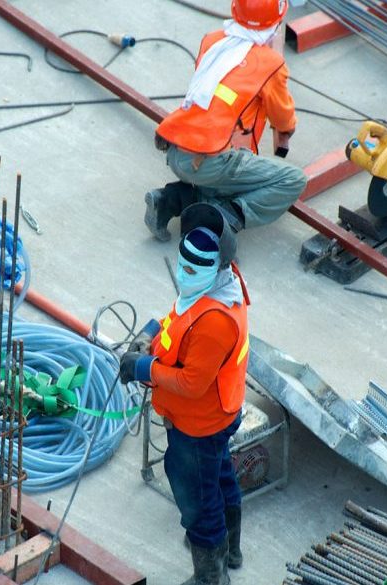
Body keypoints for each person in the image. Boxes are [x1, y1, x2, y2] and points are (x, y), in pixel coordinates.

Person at [120, 203, 251, 585]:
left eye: (193, 270)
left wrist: (143, 368)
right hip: (217, 415)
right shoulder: (215, 288)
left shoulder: (215, 321)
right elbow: (179, 322)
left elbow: (192, 383)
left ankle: (211, 576)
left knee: (198, 499)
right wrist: (149, 332)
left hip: (200, 423)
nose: (184, 274)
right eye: (183, 265)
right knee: (219, 476)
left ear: (216, 268)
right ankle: (231, 550)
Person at [145, 0, 308, 241]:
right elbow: (283, 118)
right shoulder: (270, 64)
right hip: (210, 160)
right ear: (276, 23)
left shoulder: (212, 40)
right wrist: (286, 130)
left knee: (224, 178)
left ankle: (169, 200)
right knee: (292, 179)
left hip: (175, 148)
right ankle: (223, 217)